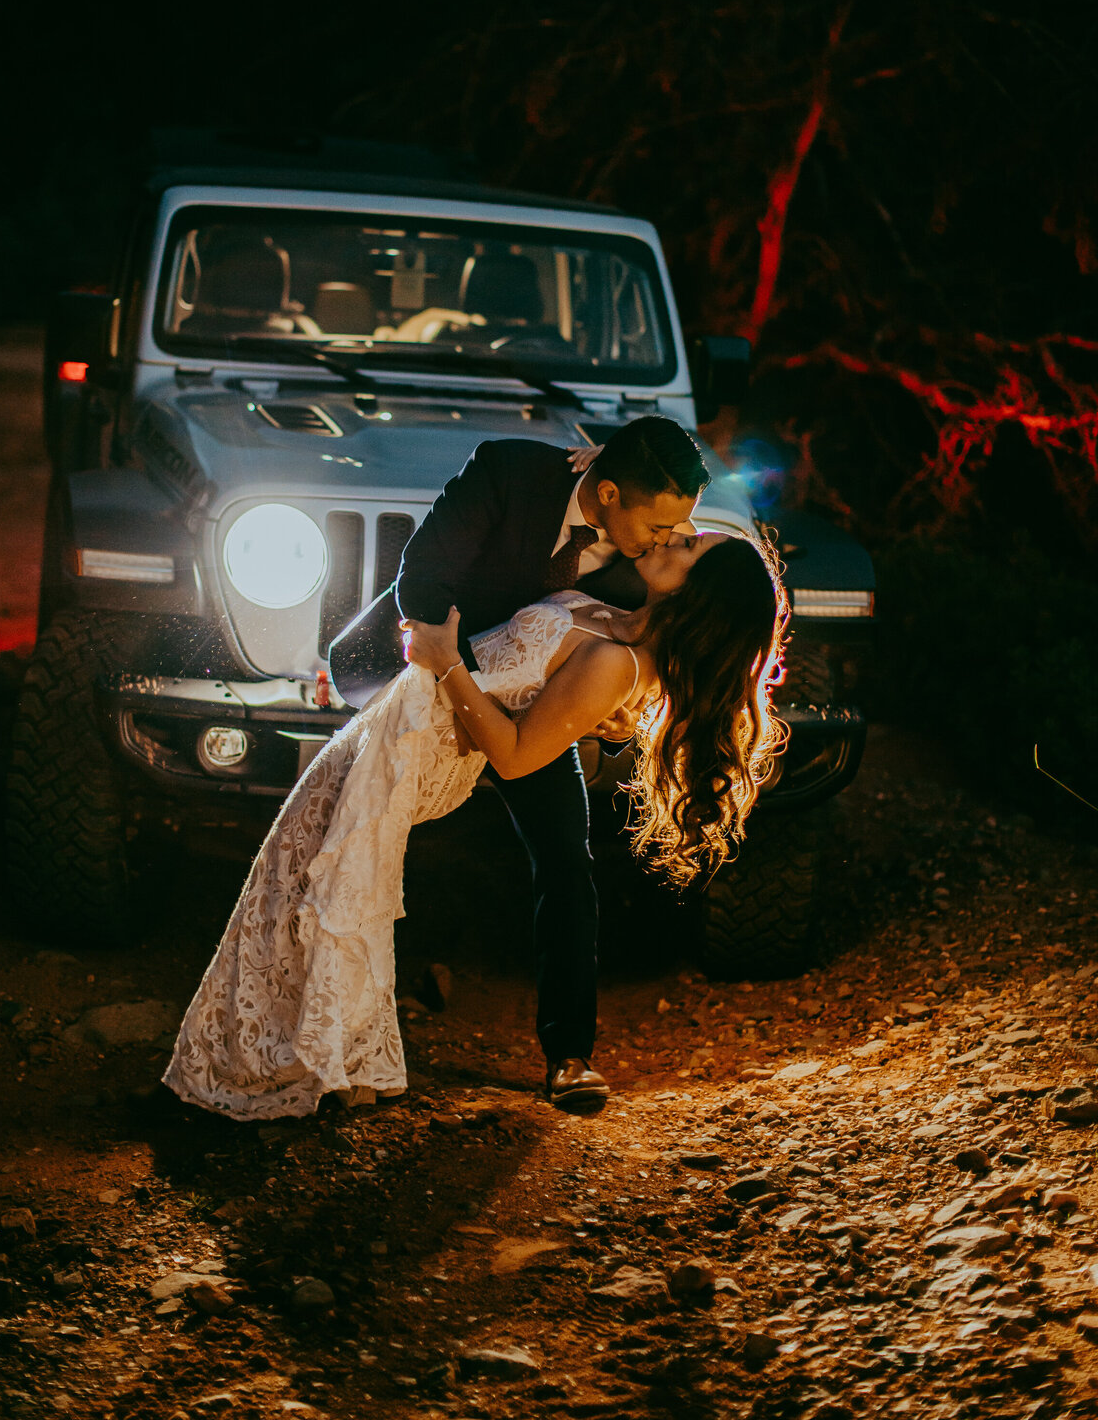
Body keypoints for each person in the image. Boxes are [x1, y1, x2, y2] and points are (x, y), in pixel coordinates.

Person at [161, 433, 787, 1123]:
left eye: (685, 536)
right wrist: (446, 662)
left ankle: (567, 1053)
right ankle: (305, 1053)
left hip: (489, 713)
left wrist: (598, 708)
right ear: (607, 492)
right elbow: (427, 575)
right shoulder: (515, 474)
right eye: (667, 527)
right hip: (442, 687)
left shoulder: (642, 561)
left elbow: (628, 665)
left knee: (557, 862)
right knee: (326, 875)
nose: (679, 534)